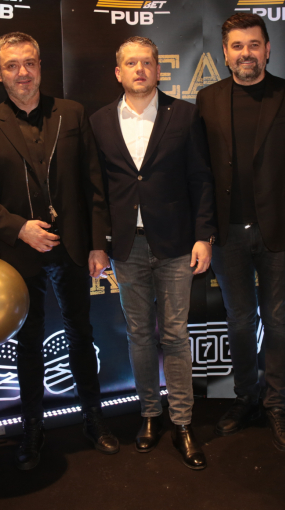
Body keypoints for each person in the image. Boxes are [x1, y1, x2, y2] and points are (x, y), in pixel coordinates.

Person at [0, 32, 118, 471]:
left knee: (81, 334)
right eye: (12, 65)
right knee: (28, 342)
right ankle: (32, 428)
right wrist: (19, 228)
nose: (23, 73)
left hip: (73, 248)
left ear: (41, 66)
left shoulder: (73, 114)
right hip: (21, 253)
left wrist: (97, 244)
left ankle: (94, 418)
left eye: (29, 63)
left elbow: (95, 186)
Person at [90, 36, 216, 470]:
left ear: (158, 70)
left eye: (147, 62)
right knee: (140, 334)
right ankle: (149, 413)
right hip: (127, 247)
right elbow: (97, 192)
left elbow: (201, 178)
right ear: (118, 72)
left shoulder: (185, 114)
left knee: (176, 334)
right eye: (131, 63)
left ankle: (182, 421)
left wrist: (204, 236)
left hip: (177, 243)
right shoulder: (100, 121)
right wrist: (97, 244)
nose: (139, 69)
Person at [196, 13, 285, 452]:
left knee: (278, 319)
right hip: (227, 232)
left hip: (280, 231)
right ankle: (245, 398)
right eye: (237, 46)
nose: (245, 53)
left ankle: (277, 404)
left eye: (253, 44)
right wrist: (203, 230)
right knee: (239, 319)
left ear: (268, 49)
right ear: (225, 53)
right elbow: (201, 171)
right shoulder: (208, 99)